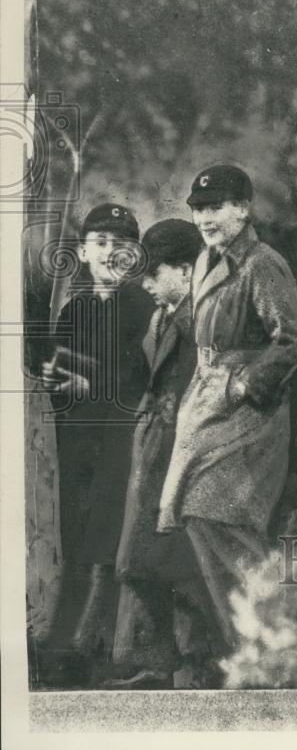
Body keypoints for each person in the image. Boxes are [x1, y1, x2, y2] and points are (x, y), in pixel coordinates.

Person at [157, 165, 297, 652]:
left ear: (243, 209)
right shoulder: (206, 260)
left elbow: (294, 342)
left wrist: (244, 385)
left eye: (216, 207)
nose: (205, 218)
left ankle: (289, 642)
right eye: (199, 209)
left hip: (250, 414)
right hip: (206, 406)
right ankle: (247, 652)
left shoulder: (261, 263)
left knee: (225, 518)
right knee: (199, 519)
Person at [39, 203, 155, 686]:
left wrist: (96, 387)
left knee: (112, 540)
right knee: (78, 537)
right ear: (84, 251)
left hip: (124, 440)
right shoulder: (74, 308)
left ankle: (101, 649)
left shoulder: (143, 307)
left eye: (121, 245)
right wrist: (54, 379)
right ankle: (64, 644)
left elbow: (145, 377)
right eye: (101, 243)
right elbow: (63, 376)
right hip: (78, 441)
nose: (110, 253)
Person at [109, 218, 223, 689]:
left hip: (190, 453)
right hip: (157, 449)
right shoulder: (163, 316)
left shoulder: (204, 318)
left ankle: (206, 661)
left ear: (184, 268)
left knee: (189, 563)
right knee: (140, 560)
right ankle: (160, 662)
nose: (148, 284)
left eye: (156, 273)